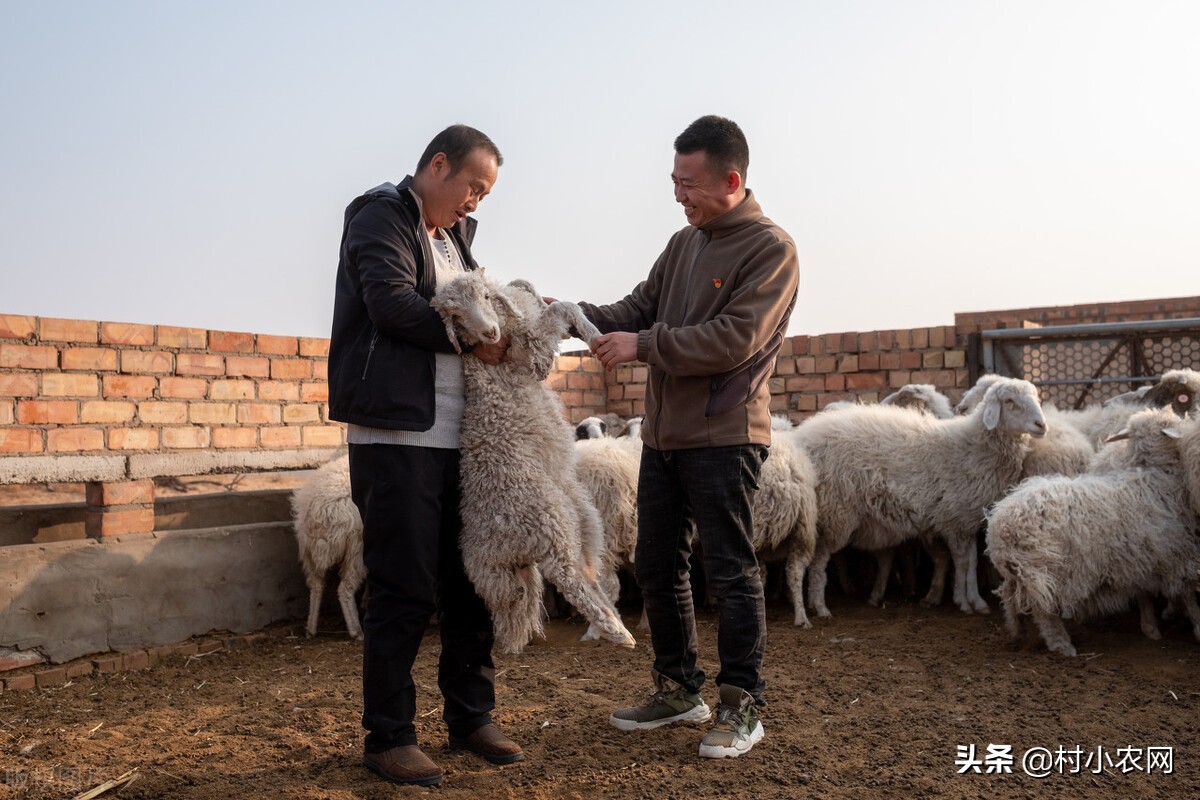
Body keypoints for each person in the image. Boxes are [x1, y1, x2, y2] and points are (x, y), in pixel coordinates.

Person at [579, 115, 799, 758]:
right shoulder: (683, 244)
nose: (680, 195)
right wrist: (566, 315)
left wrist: (642, 346)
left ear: (731, 179)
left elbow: (735, 339)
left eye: (689, 184)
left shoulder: (770, 248)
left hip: (725, 436)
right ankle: (679, 688)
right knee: (655, 562)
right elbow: (635, 308)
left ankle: (742, 704)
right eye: (674, 182)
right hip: (664, 437)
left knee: (730, 569)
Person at [327, 124, 523, 787]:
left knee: (469, 582)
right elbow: (390, 305)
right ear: (438, 165)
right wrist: (476, 340)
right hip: (397, 438)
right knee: (403, 587)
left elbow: (478, 307)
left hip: (457, 439)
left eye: (485, 193)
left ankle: (471, 716)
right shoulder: (380, 214)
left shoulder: (458, 240)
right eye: (473, 186)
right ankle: (388, 735)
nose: (476, 202)